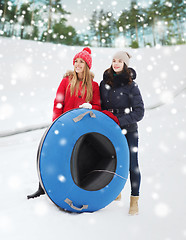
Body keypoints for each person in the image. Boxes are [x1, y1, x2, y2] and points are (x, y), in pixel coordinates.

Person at [27, 47, 101, 199]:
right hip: (63, 125)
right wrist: (56, 122)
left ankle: (71, 188)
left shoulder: (93, 86)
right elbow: (58, 102)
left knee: (74, 157)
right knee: (49, 154)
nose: (77, 64)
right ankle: (42, 186)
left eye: (81, 62)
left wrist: (90, 107)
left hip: (81, 129)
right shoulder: (66, 80)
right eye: (76, 61)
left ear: (87, 65)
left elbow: (98, 107)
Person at [99, 51, 144, 215]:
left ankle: (134, 200)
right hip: (111, 128)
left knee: (132, 164)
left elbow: (139, 112)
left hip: (129, 129)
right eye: (114, 60)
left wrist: (120, 120)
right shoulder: (104, 83)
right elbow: (101, 105)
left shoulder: (131, 85)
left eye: (120, 61)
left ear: (125, 64)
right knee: (112, 161)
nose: (116, 63)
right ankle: (115, 192)